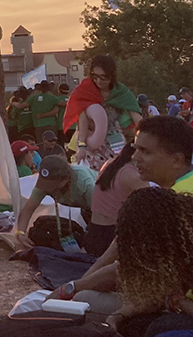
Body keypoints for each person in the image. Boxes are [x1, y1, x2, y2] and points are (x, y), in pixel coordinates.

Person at [47, 116, 193, 308]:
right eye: (135, 148)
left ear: (176, 159)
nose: (134, 157)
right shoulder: (170, 191)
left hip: (179, 305)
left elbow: (127, 267)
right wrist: (79, 283)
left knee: (84, 301)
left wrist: (74, 288)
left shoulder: (175, 202)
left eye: (145, 151)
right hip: (171, 293)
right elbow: (119, 248)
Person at [107, 187, 193, 337]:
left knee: (165, 327)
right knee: (134, 324)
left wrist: (180, 303)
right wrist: (116, 317)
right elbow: (154, 298)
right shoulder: (179, 254)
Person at [63, 55, 142, 171]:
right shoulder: (85, 90)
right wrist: (82, 147)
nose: (98, 81)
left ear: (112, 75)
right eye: (95, 77)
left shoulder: (121, 92)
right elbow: (82, 119)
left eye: (103, 77)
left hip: (115, 138)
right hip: (89, 141)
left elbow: (137, 118)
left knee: (119, 170)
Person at [14, 155, 97, 248]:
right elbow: (28, 210)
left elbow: (98, 216)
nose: (47, 189)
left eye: (52, 186)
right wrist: (20, 233)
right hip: (87, 207)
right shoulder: (44, 183)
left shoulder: (85, 183)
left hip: (103, 203)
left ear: (65, 180)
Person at [86, 143, 148, 257]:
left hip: (93, 230)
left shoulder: (110, 164)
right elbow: (154, 206)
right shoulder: (132, 175)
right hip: (111, 235)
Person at [0, 140, 37, 213]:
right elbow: (30, 197)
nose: (33, 157)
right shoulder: (24, 171)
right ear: (25, 156)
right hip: (5, 211)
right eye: (31, 153)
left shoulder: (4, 169)